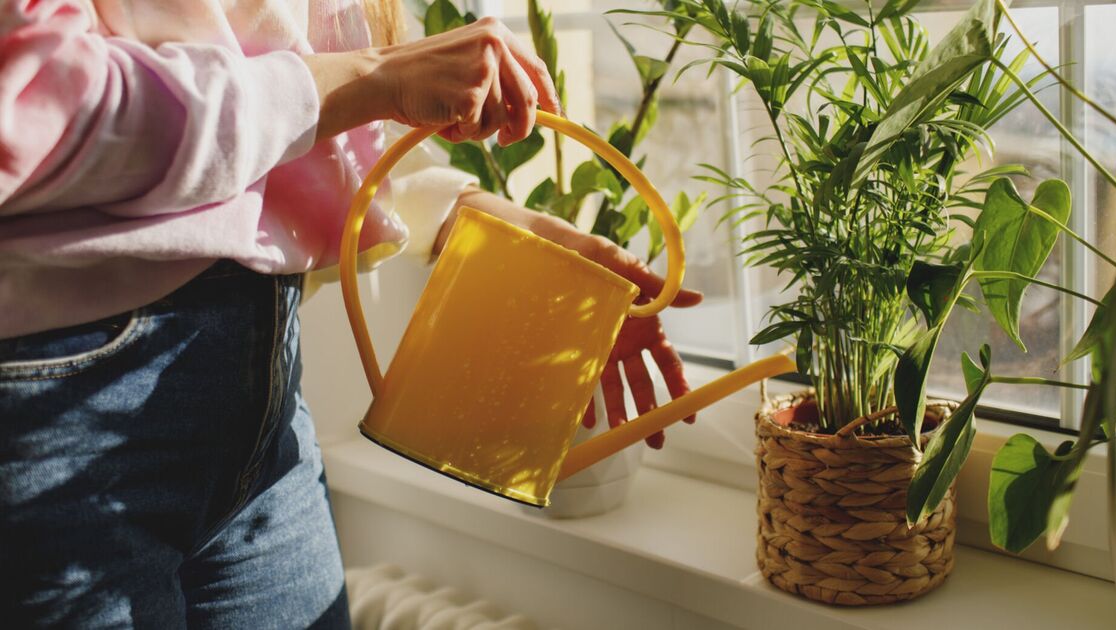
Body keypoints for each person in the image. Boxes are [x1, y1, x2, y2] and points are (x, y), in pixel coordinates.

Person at [0, 1, 701, 627]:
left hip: (266, 428)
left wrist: (475, 220)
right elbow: (32, 107)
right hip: (63, 411)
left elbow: (291, 167)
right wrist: (373, 77)